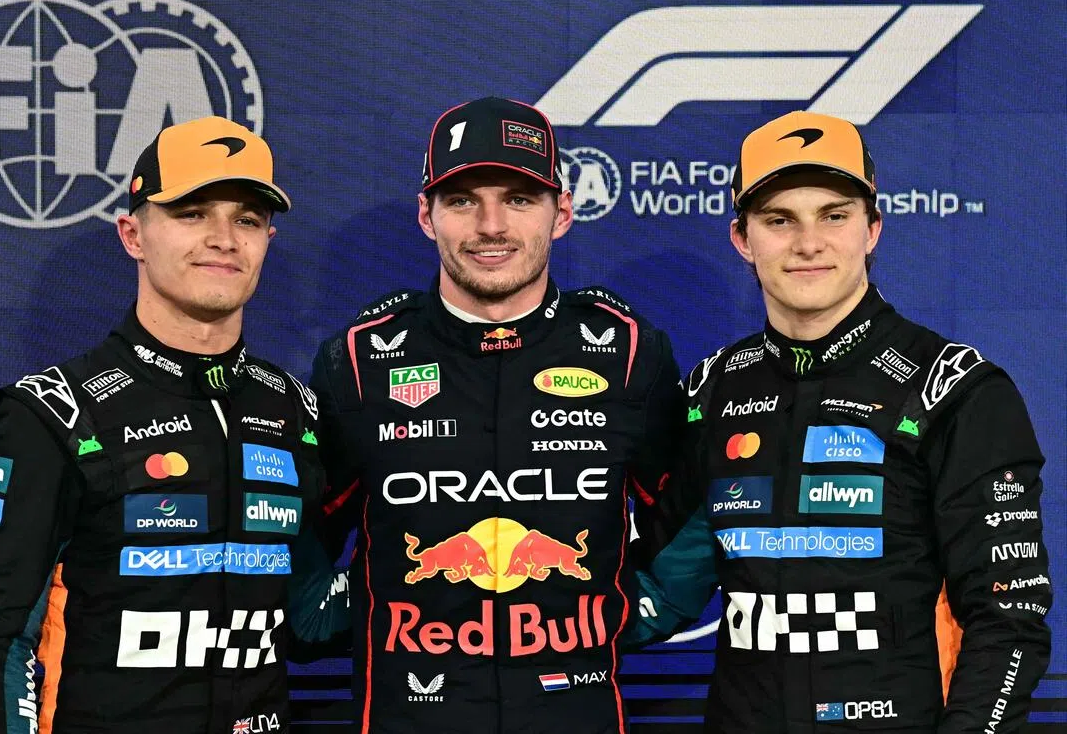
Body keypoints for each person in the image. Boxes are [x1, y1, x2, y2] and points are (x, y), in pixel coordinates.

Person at [305, 97, 714, 734]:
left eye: (519, 199)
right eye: (463, 199)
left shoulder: (632, 352)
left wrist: (638, 609)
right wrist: (340, 613)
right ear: (426, 215)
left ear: (563, 213)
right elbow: (291, 527)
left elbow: (689, 511)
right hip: (406, 712)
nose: (491, 224)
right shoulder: (357, 359)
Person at [638, 110, 1052, 732]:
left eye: (834, 216)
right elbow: (659, 591)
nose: (809, 244)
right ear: (742, 239)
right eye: (780, 220)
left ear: (872, 229)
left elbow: (1009, 620)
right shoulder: (713, 390)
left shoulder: (955, 390)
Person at [0, 116, 333, 734]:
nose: (223, 238)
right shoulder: (51, 411)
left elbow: (308, 618)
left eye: (246, 219)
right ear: (132, 234)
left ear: (267, 238)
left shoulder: (295, 408)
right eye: (191, 213)